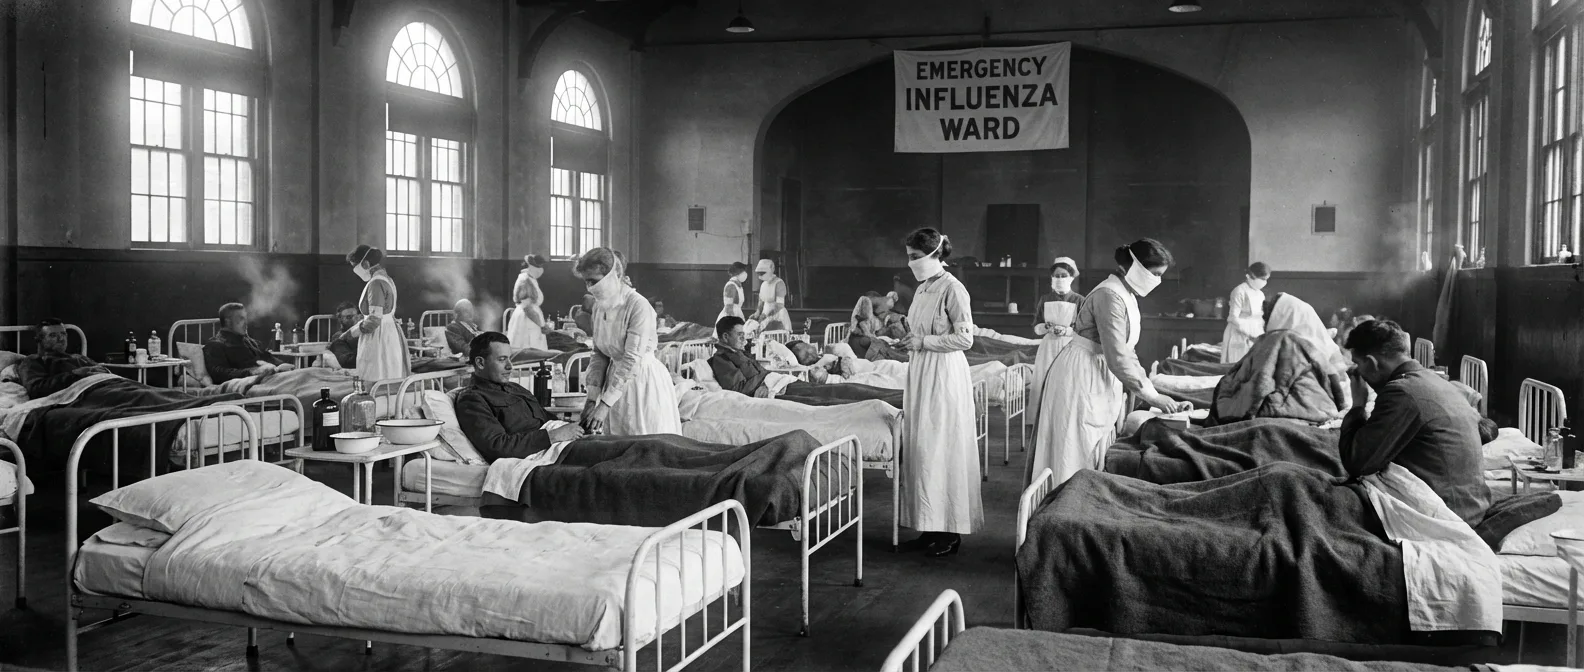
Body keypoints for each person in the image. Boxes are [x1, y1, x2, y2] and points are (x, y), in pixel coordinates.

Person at [1030, 239, 1190, 487]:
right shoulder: (1109, 296)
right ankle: (1065, 508)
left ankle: (1080, 501)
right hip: (1081, 374)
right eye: (1155, 274)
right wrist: (1153, 397)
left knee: (1089, 443)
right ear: (1136, 268)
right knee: (1074, 446)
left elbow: (1127, 352)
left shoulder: (1125, 295)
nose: (1157, 281)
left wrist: (1151, 390)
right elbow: (1117, 355)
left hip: (1098, 370)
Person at [1341, 319, 1490, 526]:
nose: (1357, 373)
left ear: (1373, 362)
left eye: (1357, 364)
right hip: (1471, 507)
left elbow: (1357, 462)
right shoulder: (1434, 380)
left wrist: (1358, 405)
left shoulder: (1401, 392)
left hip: (1446, 517)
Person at [896, 228, 980, 558]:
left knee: (943, 448)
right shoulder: (922, 289)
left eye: (915, 257)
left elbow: (966, 340)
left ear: (934, 256)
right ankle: (928, 525)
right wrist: (910, 340)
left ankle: (950, 532)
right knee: (923, 449)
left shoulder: (953, 289)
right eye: (908, 256)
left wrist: (924, 342)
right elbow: (919, 329)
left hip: (944, 375)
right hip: (920, 372)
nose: (910, 263)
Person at [576, 247, 681, 435]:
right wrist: (592, 399)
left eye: (594, 281)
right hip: (615, 382)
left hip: (643, 381)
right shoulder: (600, 308)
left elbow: (632, 358)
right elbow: (599, 354)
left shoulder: (638, 305)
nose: (590, 288)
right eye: (586, 282)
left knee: (643, 439)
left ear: (612, 275)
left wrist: (605, 404)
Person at [709, 316, 903, 404]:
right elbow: (737, 389)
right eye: (740, 335)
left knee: (841, 390)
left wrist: (767, 376)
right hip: (775, 390)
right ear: (725, 337)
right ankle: (898, 401)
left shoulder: (739, 353)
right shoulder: (722, 359)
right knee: (837, 395)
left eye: (744, 335)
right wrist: (765, 380)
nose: (745, 339)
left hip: (780, 382)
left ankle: (900, 398)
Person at [454, 331, 585, 461]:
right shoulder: (473, 399)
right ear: (480, 363)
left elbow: (547, 418)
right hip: (543, 454)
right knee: (604, 457)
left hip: (560, 444)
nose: (510, 366)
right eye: (502, 359)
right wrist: (553, 436)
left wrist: (575, 428)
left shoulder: (515, 388)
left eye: (509, 358)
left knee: (602, 444)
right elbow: (498, 446)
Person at [346, 244, 409, 382]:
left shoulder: (376, 283)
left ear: (366, 263)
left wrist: (351, 333)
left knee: (376, 373)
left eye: (355, 266)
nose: (355, 270)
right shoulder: (387, 279)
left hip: (379, 335)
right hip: (388, 332)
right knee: (389, 371)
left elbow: (374, 319)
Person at [1030, 257, 1084, 416]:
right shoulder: (1045, 299)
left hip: (1069, 346)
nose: (1060, 279)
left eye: (1063, 275)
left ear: (1071, 278)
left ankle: (1064, 417)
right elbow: (1036, 325)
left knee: (1066, 382)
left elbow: (1083, 329)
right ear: (1052, 278)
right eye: (1057, 276)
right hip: (1048, 347)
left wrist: (1066, 331)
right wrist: (1044, 327)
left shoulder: (1079, 300)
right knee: (1044, 380)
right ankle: (1041, 418)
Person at [203, 303, 295, 384]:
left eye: (245, 318)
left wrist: (281, 366)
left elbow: (267, 357)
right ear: (228, 321)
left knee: (307, 375)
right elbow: (219, 374)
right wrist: (253, 371)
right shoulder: (215, 345)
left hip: (273, 379)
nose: (246, 323)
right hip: (255, 384)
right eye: (241, 319)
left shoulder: (251, 342)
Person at [16, 319, 108, 398]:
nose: (61, 339)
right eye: (53, 335)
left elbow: (103, 372)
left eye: (63, 334)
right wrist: (75, 374)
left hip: (108, 386)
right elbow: (36, 389)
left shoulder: (79, 357)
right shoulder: (33, 361)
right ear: (39, 340)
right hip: (84, 395)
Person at [1221, 262, 1271, 364]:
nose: (1264, 282)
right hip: (1238, 333)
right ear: (1250, 276)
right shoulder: (1239, 291)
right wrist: (1250, 333)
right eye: (1262, 279)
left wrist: (1260, 335)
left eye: (1266, 279)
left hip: (1256, 333)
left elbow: (1260, 317)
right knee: (1237, 367)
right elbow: (1233, 318)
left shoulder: (1260, 294)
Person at [507, 254, 549, 350]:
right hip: (527, 320)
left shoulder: (531, 279)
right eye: (540, 267)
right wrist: (542, 325)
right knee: (528, 351)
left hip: (531, 319)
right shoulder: (525, 281)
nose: (542, 270)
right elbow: (528, 309)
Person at [847, 295, 908, 362]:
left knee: (883, 342)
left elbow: (875, 332)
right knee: (879, 343)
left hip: (865, 340)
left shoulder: (870, 320)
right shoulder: (862, 322)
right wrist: (882, 338)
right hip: (859, 342)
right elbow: (868, 334)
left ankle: (899, 354)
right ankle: (899, 357)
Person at [750, 259, 791, 332]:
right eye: (759, 274)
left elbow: (779, 305)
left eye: (762, 273)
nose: (760, 276)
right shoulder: (763, 284)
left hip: (777, 314)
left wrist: (767, 316)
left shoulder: (779, 283)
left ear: (770, 271)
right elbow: (761, 301)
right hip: (765, 312)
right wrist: (757, 312)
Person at [325, 302, 361, 369]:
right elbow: (346, 361)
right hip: (356, 362)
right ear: (340, 319)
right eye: (349, 317)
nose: (353, 319)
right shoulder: (338, 337)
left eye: (356, 316)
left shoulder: (363, 331)